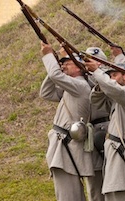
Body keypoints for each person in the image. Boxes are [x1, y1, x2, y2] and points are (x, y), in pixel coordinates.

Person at [84, 60, 125, 201]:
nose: (112, 79)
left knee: (121, 192)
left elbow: (114, 89)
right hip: (115, 151)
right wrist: (102, 84)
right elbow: (95, 100)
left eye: (114, 75)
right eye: (110, 76)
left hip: (121, 150)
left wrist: (97, 71)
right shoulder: (118, 96)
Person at [39, 42, 93, 201]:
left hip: (67, 149)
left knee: (68, 197)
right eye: (61, 64)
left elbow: (56, 76)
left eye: (66, 63)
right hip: (63, 148)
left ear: (79, 67)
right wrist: (54, 68)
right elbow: (46, 93)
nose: (63, 67)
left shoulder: (80, 86)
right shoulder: (72, 88)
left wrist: (49, 56)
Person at [84, 47, 113, 201]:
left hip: (107, 128)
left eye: (93, 59)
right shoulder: (82, 77)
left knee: (112, 177)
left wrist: (95, 71)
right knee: (94, 181)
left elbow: (102, 84)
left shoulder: (107, 77)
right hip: (89, 132)